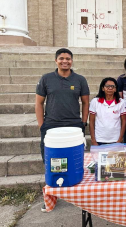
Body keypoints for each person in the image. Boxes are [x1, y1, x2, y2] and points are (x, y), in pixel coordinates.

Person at [35, 48, 89, 212]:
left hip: (73, 126)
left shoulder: (80, 79)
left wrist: (83, 122)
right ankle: (51, 197)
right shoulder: (47, 79)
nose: (65, 61)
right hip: (51, 126)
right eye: (61, 58)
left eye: (68, 58)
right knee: (51, 163)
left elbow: (86, 102)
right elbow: (39, 103)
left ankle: (75, 196)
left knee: (73, 161)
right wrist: (41, 125)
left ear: (72, 61)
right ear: (56, 60)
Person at [89, 78, 126, 145]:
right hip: (99, 138)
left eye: (112, 86)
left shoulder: (121, 102)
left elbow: (124, 122)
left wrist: (120, 139)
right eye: (107, 86)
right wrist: (93, 140)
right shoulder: (95, 101)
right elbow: (91, 121)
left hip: (115, 139)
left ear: (115, 89)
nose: (110, 88)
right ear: (103, 88)